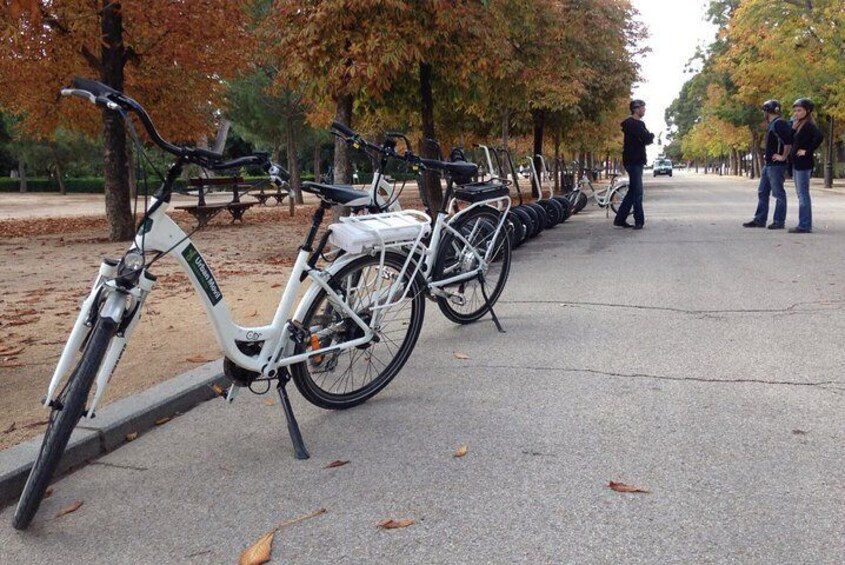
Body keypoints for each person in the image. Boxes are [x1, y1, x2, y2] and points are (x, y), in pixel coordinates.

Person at [743, 100, 793, 229]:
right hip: (769, 164)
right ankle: (760, 219)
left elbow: (788, 142)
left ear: (767, 111)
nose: (762, 113)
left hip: (776, 165)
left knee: (778, 193)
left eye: (763, 111)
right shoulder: (773, 124)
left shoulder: (779, 124)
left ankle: (779, 221)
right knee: (762, 192)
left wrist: (783, 156)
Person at [614, 99, 654, 230]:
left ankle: (620, 219)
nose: (644, 110)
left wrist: (647, 137)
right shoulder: (635, 124)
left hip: (631, 160)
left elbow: (645, 139)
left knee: (632, 191)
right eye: (643, 108)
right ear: (636, 109)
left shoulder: (631, 124)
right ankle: (639, 221)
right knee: (638, 192)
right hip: (635, 160)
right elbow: (647, 138)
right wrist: (651, 135)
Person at [788, 98, 823, 233]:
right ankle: (803, 222)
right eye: (795, 110)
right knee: (800, 194)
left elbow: (819, 137)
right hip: (796, 163)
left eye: (799, 110)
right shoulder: (799, 125)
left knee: (803, 194)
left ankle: (805, 225)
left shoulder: (808, 125)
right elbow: (789, 140)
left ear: (807, 111)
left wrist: (808, 151)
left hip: (804, 164)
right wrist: (792, 129)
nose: (796, 113)